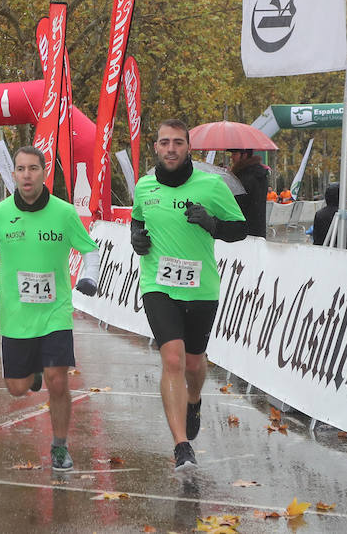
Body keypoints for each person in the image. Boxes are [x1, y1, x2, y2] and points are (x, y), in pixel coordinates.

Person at [0, 146, 99, 472]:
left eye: (33, 168)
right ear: (13, 174)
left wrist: (89, 277)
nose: (27, 174)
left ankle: (59, 446)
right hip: (16, 315)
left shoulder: (64, 212)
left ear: (43, 173)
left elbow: (90, 250)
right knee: (17, 388)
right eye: (21, 169)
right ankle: (34, 373)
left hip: (55, 311)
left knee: (59, 381)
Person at [130, 119, 246, 470]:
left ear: (188, 147)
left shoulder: (211, 185)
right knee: (173, 360)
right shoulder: (144, 186)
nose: (171, 149)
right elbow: (137, 221)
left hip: (201, 287)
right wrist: (136, 240)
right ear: (155, 147)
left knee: (194, 363)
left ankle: (193, 399)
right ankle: (181, 446)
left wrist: (212, 223)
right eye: (164, 142)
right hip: (157, 284)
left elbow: (241, 229)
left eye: (177, 142)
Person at [229, 149, 269, 237]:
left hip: (244, 232)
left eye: (235, 153)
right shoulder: (259, 174)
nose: (231, 157)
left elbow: (236, 204)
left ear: (244, 155)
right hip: (258, 230)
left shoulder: (245, 177)